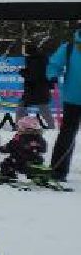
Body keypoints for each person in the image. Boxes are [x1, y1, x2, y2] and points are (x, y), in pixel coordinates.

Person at [49, 28, 81, 182]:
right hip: (73, 99)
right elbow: (54, 64)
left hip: (71, 97)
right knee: (67, 135)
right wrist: (52, 76)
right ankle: (58, 170)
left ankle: (57, 171)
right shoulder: (69, 48)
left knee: (66, 134)